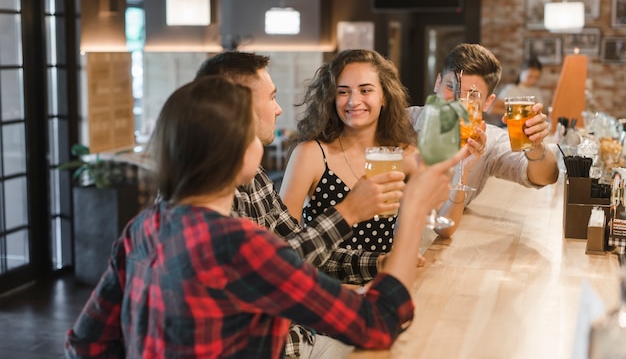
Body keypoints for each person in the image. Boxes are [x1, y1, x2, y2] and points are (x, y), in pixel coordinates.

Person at [64, 75, 465, 358]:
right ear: (240, 155)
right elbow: (377, 322)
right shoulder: (240, 246)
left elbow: (86, 344)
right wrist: (412, 212)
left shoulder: (143, 227)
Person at [194, 51, 408, 358]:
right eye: (272, 98)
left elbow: (290, 249)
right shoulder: (209, 199)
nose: (279, 110)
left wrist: (377, 263)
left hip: (294, 332)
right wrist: (347, 212)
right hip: (275, 344)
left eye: (365, 90)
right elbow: (268, 274)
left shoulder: (254, 176)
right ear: (236, 107)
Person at [408, 43, 559, 238]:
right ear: (437, 82)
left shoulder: (490, 140)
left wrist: (535, 145)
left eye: (472, 96)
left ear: (488, 102)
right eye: (450, 87)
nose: (457, 102)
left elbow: (545, 176)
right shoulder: (403, 123)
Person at [280, 49, 419, 254]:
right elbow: (281, 240)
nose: (353, 101)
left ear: (385, 97)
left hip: (380, 279)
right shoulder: (310, 154)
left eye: (365, 90)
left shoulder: (406, 157)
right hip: (324, 281)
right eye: (343, 91)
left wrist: (465, 164)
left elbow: (436, 224)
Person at [488, 56, 548, 122]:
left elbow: (543, 112)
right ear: (521, 72)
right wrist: (516, 113)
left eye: (536, 77)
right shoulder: (511, 89)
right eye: (530, 76)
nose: (533, 80)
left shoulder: (536, 91)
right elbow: (492, 109)